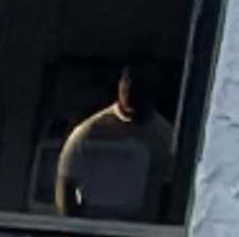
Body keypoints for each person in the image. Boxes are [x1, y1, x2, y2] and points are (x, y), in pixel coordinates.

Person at [53, 63, 174, 224]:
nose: (131, 88)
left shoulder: (166, 137)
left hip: (141, 234)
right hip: (93, 234)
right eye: (127, 82)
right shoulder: (89, 133)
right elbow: (65, 186)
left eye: (139, 83)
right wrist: (77, 231)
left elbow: (171, 194)